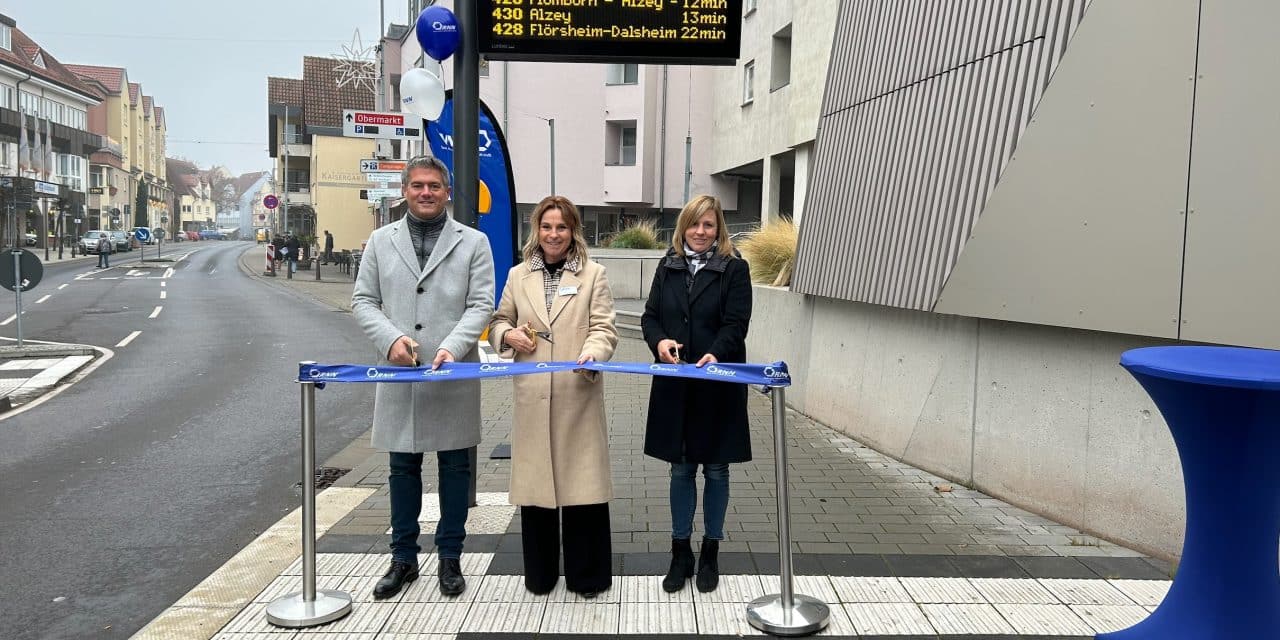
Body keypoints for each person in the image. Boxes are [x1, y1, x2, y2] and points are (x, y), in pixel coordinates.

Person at [352, 155, 495, 599]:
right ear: (405, 191)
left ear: (447, 191)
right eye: (418, 185)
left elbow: (481, 303)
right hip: (401, 373)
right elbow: (363, 300)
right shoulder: (380, 241)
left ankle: (450, 557)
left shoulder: (473, 242)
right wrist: (390, 340)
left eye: (434, 185)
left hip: (451, 371)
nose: (426, 192)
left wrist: (453, 346)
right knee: (401, 469)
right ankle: (403, 559)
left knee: (455, 469)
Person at [488, 196, 618, 597]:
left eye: (561, 227)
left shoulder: (594, 275)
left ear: (573, 230)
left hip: (577, 393)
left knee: (583, 490)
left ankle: (588, 576)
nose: (554, 234)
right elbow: (498, 321)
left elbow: (604, 328)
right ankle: (540, 575)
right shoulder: (517, 275)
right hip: (532, 396)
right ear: (537, 230)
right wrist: (506, 336)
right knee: (537, 490)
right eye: (547, 227)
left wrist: (593, 353)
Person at [640, 194, 753, 594]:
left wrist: (715, 354)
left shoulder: (735, 268)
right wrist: (659, 343)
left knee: (717, 470)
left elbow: (737, 323)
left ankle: (711, 551)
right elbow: (650, 316)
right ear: (683, 227)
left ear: (718, 228)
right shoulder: (667, 265)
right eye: (694, 224)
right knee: (681, 469)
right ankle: (679, 552)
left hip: (717, 383)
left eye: (709, 225)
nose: (701, 232)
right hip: (676, 384)